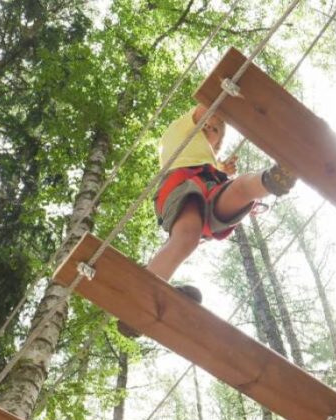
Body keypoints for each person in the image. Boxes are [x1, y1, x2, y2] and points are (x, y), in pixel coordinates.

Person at [119, 104, 295, 337]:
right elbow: (207, 107)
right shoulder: (182, 131)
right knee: (187, 237)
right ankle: (140, 299)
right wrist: (225, 93)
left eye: (214, 131)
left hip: (212, 189)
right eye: (206, 124)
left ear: (217, 144)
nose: (208, 128)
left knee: (241, 187)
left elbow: (212, 166)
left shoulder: (211, 162)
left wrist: (222, 168)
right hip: (181, 184)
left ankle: (272, 180)